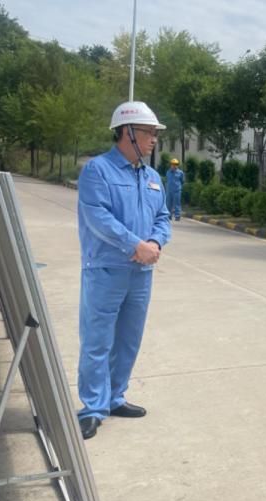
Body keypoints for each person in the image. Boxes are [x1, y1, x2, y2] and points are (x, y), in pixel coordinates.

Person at [76, 101, 172, 440]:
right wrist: (135, 245)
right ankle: (92, 408)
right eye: (149, 132)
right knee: (97, 341)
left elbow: (163, 217)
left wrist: (156, 242)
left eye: (156, 133)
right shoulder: (97, 170)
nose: (154, 139)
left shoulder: (152, 177)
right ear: (127, 132)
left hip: (140, 273)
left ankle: (115, 397)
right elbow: (98, 218)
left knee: (128, 340)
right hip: (106, 269)